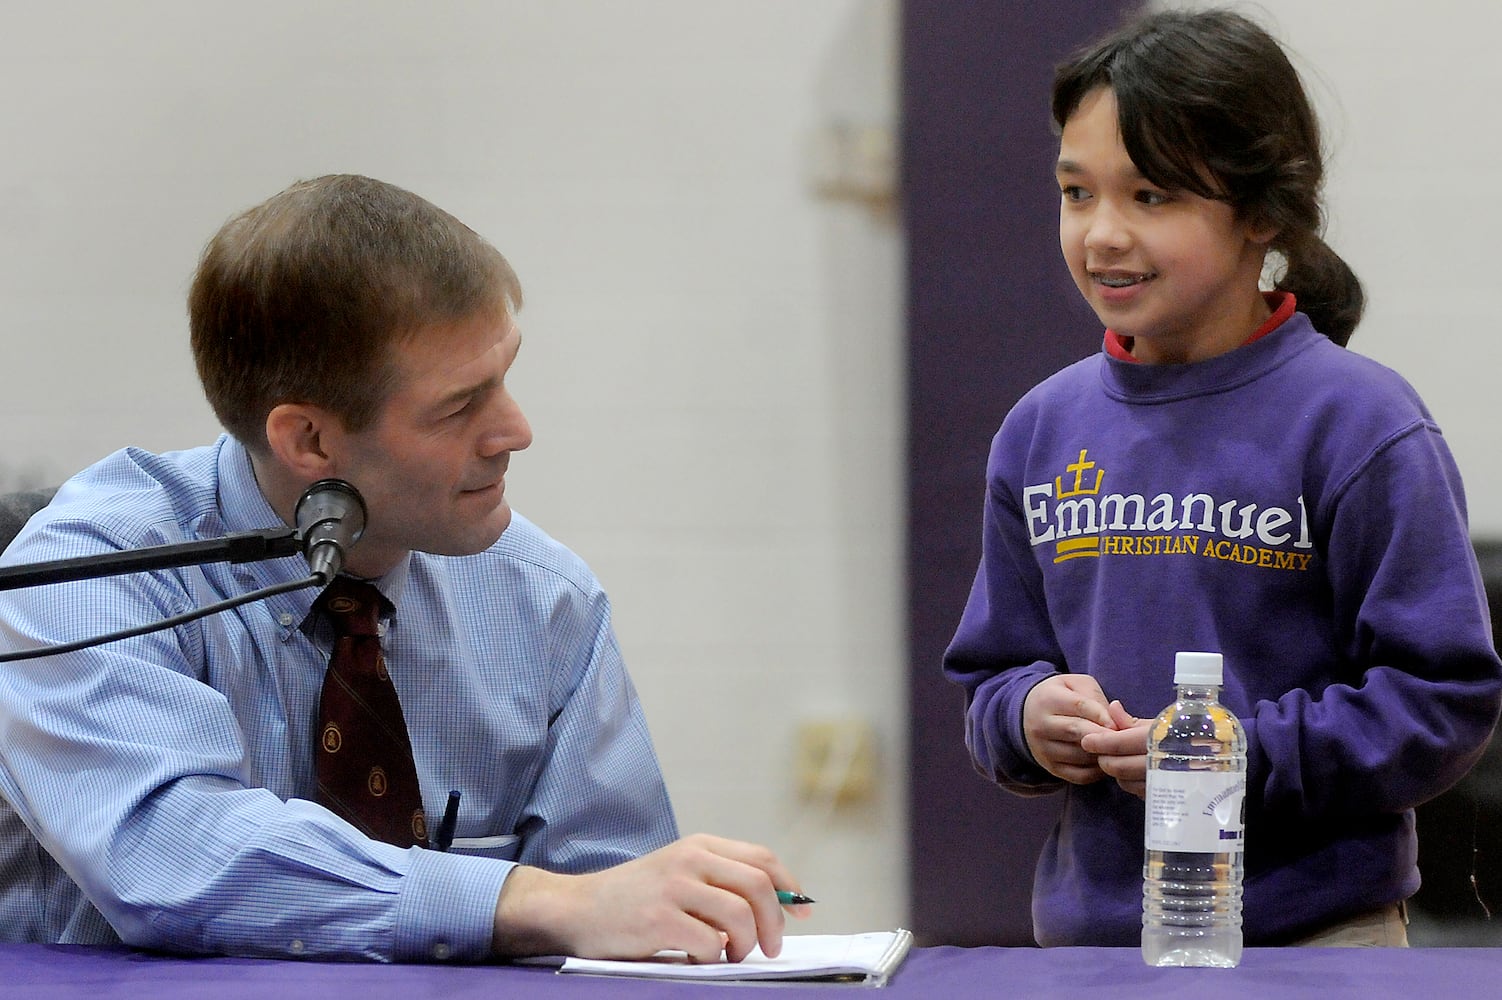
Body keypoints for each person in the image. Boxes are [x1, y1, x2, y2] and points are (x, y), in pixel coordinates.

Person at [0, 174, 807, 962]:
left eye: (506, 378)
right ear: (309, 442)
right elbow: (171, 851)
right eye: (459, 406)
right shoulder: (90, 572)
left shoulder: (544, 598)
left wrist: (664, 906)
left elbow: (617, 915)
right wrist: (527, 902)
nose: (515, 431)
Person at [943, 8, 1502, 948]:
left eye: (1153, 196)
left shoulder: (1360, 422)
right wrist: (1027, 715)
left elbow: (1441, 698)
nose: (1103, 234)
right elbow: (992, 675)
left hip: (1319, 939)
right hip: (1093, 943)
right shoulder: (1042, 428)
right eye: (1077, 194)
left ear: (1263, 211)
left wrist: (1236, 751)